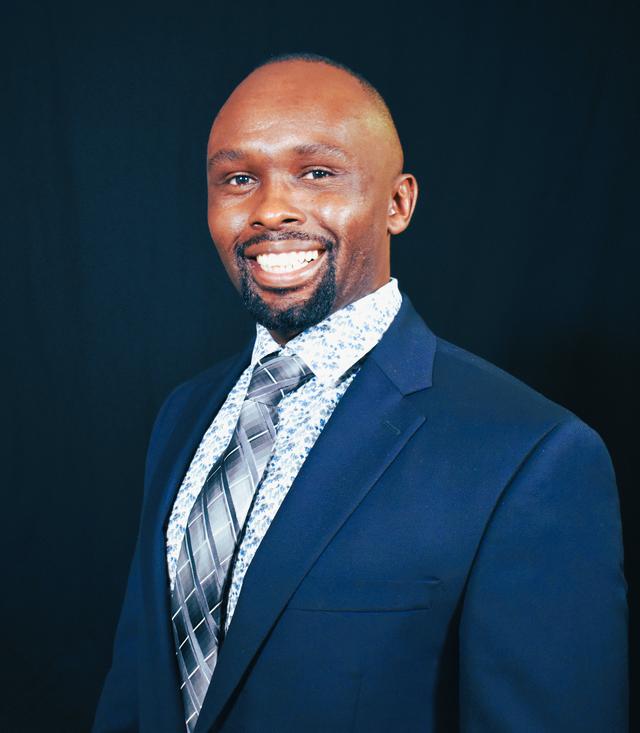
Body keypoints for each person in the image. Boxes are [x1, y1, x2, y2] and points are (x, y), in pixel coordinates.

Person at [93, 54, 628, 733]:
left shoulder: (533, 457)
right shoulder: (183, 415)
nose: (271, 209)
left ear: (397, 203)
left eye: (316, 173)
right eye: (238, 179)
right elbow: (136, 693)